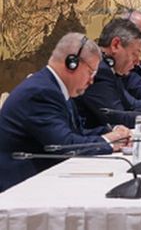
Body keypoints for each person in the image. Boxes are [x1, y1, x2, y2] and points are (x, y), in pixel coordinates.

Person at [0, 33, 130, 192]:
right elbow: (63, 146)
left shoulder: (54, 87)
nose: (91, 81)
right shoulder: (40, 92)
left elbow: (76, 132)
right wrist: (108, 142)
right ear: (72, 63)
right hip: (19, 186)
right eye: (90, 73)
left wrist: (113, 132)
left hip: (42, 177)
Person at [75, 19, 141, 128]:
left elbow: (132, 104)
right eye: (135, 54)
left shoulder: (109, 68)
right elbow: (118, 117)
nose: (137, 61)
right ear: (115, 45)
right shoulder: (98, 69)